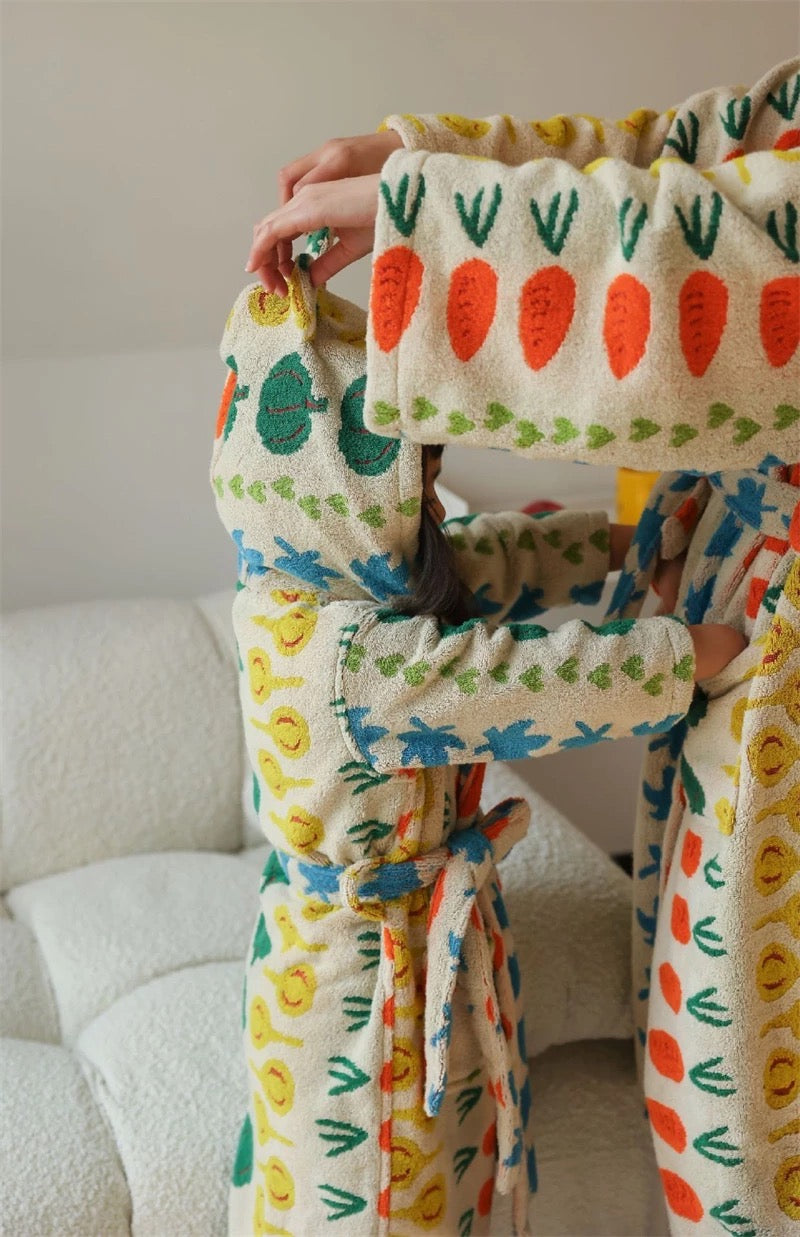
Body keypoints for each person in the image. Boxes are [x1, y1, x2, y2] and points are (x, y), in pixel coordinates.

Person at [243, 57, 800, 1233]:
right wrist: (678, 655)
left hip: (412, 966)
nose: (435, 486)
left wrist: (618, 549)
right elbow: (509, 682)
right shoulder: (351, 647)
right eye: (413, 465)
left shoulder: (337, 588)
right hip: (361, 998)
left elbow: (499, 564)